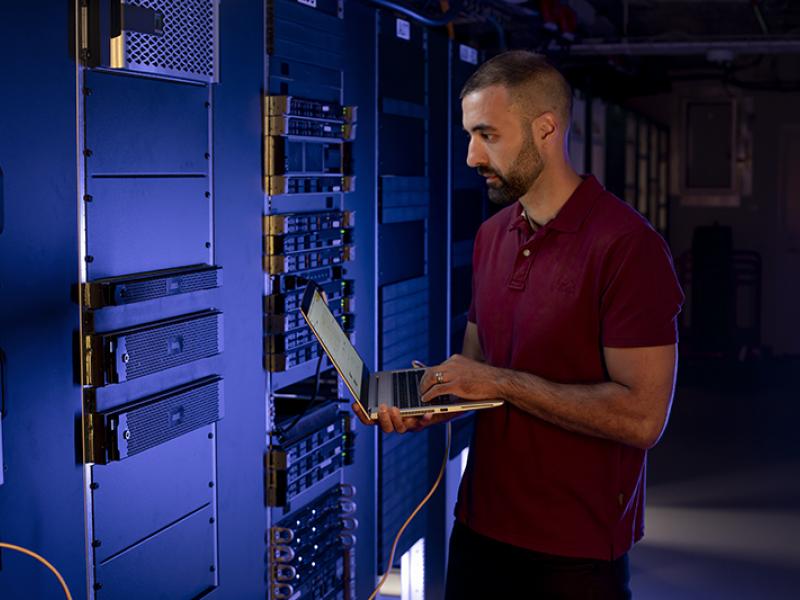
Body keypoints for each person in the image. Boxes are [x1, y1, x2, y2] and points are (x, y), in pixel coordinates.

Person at [353, 50, 684, 599]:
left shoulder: (629, 248)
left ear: (546, 129)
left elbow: (643, 417)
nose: (470, 155)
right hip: (480, 527)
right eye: (469, 134)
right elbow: (479, 366)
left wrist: (501, 384)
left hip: (574, 552)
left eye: (488, 134)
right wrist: (432, 400)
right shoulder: (492, 236)